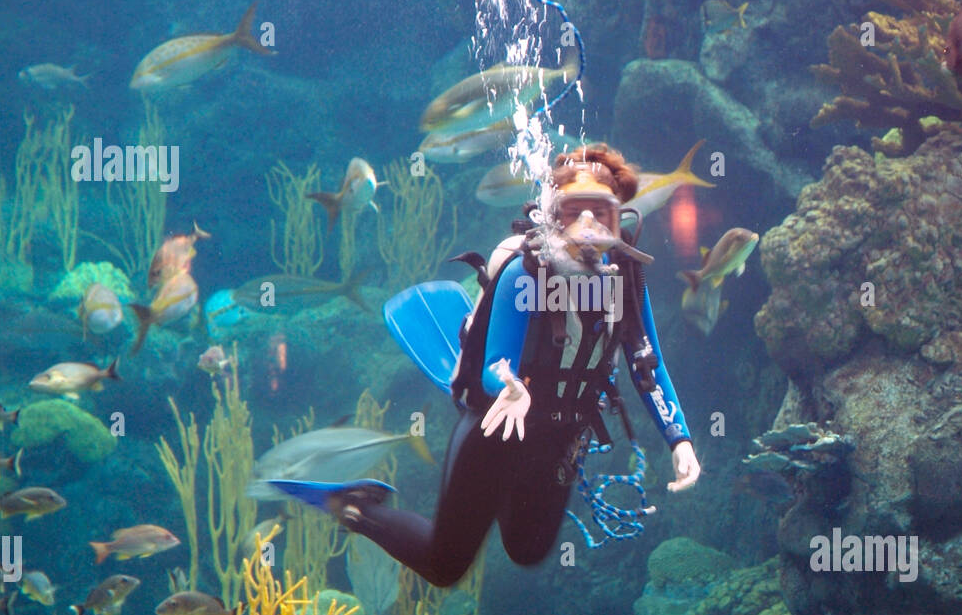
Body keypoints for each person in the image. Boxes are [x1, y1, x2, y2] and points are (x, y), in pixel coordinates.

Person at [295, 145, 700, 587]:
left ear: (619, 216)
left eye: (600, 214)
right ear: (552, 215)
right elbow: (496, 362)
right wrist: (511, 386)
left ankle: (501, 492)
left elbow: (649, 365)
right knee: (444, 565)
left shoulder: (625, 280)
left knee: (526, 551)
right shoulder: (525, 272)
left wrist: (679, 438)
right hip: (496, 430)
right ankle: (355, 506)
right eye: (571, 213)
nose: (586, 228)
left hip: (562, 438)